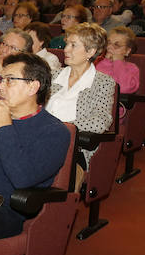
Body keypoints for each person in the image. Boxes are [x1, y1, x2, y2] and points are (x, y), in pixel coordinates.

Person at [0, 53, 71, 238]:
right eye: (1, 79)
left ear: (33, 86)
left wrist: (4, 127)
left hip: (0, 209)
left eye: (9, 80)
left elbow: (22, 178)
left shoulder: (54, 132)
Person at [47, 23, 116, 164]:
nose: (65, 50)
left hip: (73, 147)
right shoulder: (53, 75)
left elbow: (100, 121)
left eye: (73, 45)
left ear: (91, 52)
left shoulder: (102, 82)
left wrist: (59, 129)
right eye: (67, 44)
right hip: (40, 138)